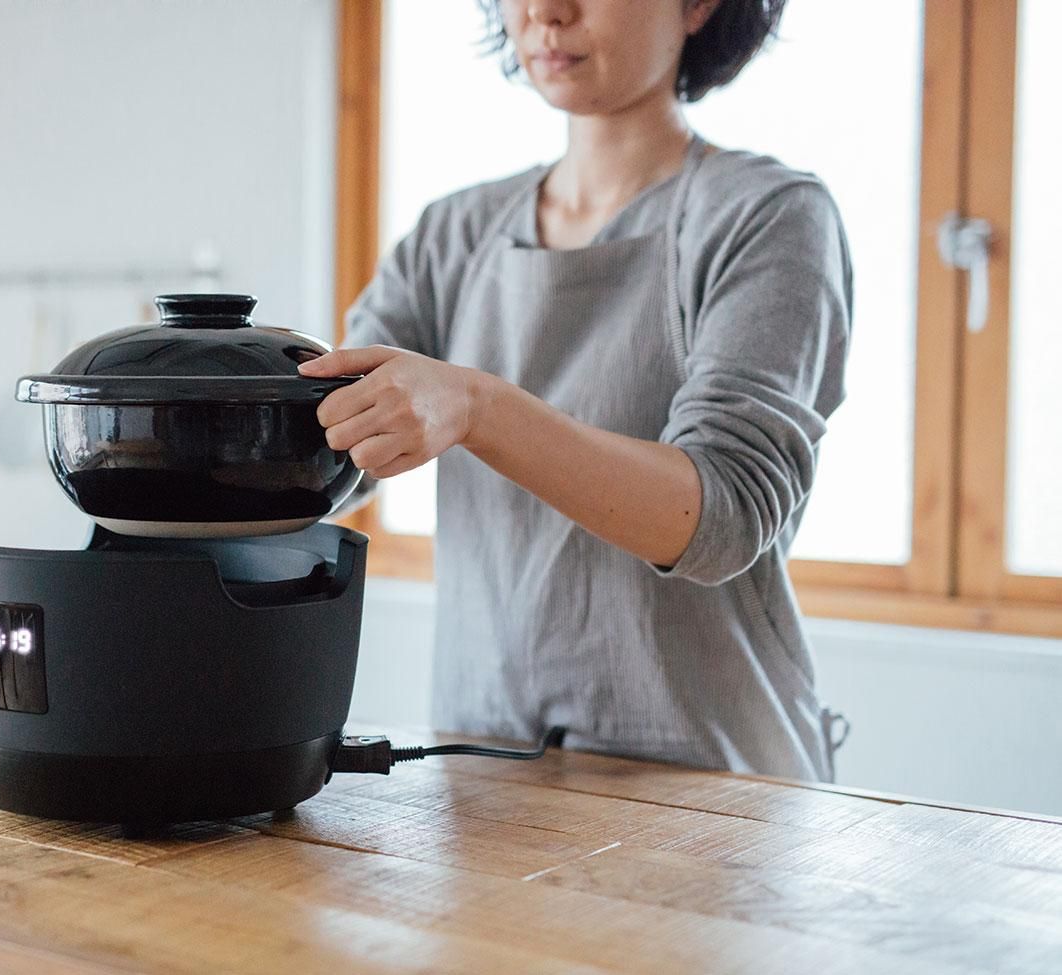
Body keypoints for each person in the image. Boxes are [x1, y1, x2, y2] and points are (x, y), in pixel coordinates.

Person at [299, 0, 852, 780]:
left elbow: (723, 513)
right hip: (482, 783)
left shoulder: (769, 217)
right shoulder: (449, 236)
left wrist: (478, 406)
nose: (547, 13)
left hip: (715, 796)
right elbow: (320, 445)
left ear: (698, 6)